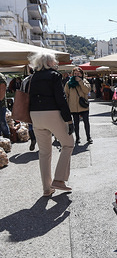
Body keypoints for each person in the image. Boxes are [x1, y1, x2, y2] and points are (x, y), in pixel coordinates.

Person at [28, 52, 74, 197]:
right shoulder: (54, 76)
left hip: (35, 115)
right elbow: (60, 98)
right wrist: (69, 119)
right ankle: (59, 180)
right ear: (49, 62)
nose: (55, 63)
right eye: (54, 61)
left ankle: (47, 188)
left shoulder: (33, 77)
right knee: (68, 144)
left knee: (44, 152)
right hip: (51, 113)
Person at [64, 67, 92, 144]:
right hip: (73, 107)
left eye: (78, 73)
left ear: (81, 74)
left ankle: (88, 137)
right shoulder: (69, 83)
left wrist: (80, 82)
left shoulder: (84, 81)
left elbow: (87, 90)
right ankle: (77, 138)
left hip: (83, 106)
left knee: (86, 122)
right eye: (75, 73)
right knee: (76, 123)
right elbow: (66, 94)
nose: (76, 75)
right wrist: (66, 106)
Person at [0, 72, 10, 139]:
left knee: (2, 122)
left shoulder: (1, 77)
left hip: (1, 104)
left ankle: (7, 137)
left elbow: (2, 91)